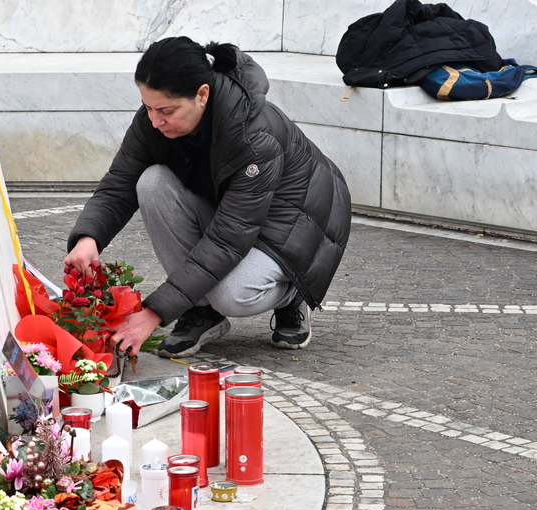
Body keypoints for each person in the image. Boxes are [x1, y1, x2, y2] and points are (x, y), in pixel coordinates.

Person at [64, 37, 351, 358]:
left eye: (167, 111)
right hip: (233, 212)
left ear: (202, 95)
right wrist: (89, 238)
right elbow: (119, 183)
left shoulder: (253, 135)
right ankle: (202, 312)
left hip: (297, 222)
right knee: (151, 182)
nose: (155, 121)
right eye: (148, 107)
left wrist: (155, 312)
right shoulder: (154, 120)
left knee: (231, 294)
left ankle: (291, 295)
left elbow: (229, 239)